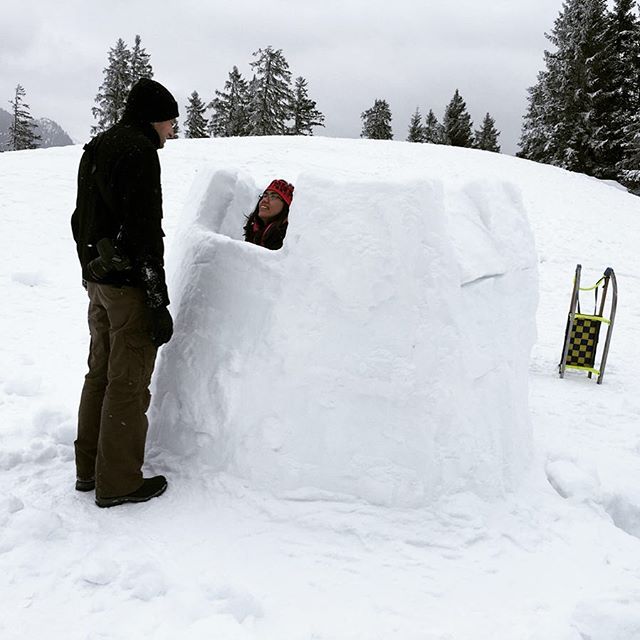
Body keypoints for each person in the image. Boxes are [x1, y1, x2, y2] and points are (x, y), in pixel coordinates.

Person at [70, 78, 178, 508]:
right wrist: (156, 301)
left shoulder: (99, 145)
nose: (173, 129)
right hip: (128, 287)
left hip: (98, 282)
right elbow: (145, 232)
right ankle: (118, 482)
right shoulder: (139, 153)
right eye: (171, 120)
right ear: (153, 118)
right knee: (128, 382)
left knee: (99, 373)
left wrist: (91, 265)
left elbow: (81, 217)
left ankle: (88, 468)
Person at [243, 179, 294, 250]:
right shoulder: (253, 230)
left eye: (273, 196)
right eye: (264, 195)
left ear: (285, 206)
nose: (265, 200)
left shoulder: (287, 240)